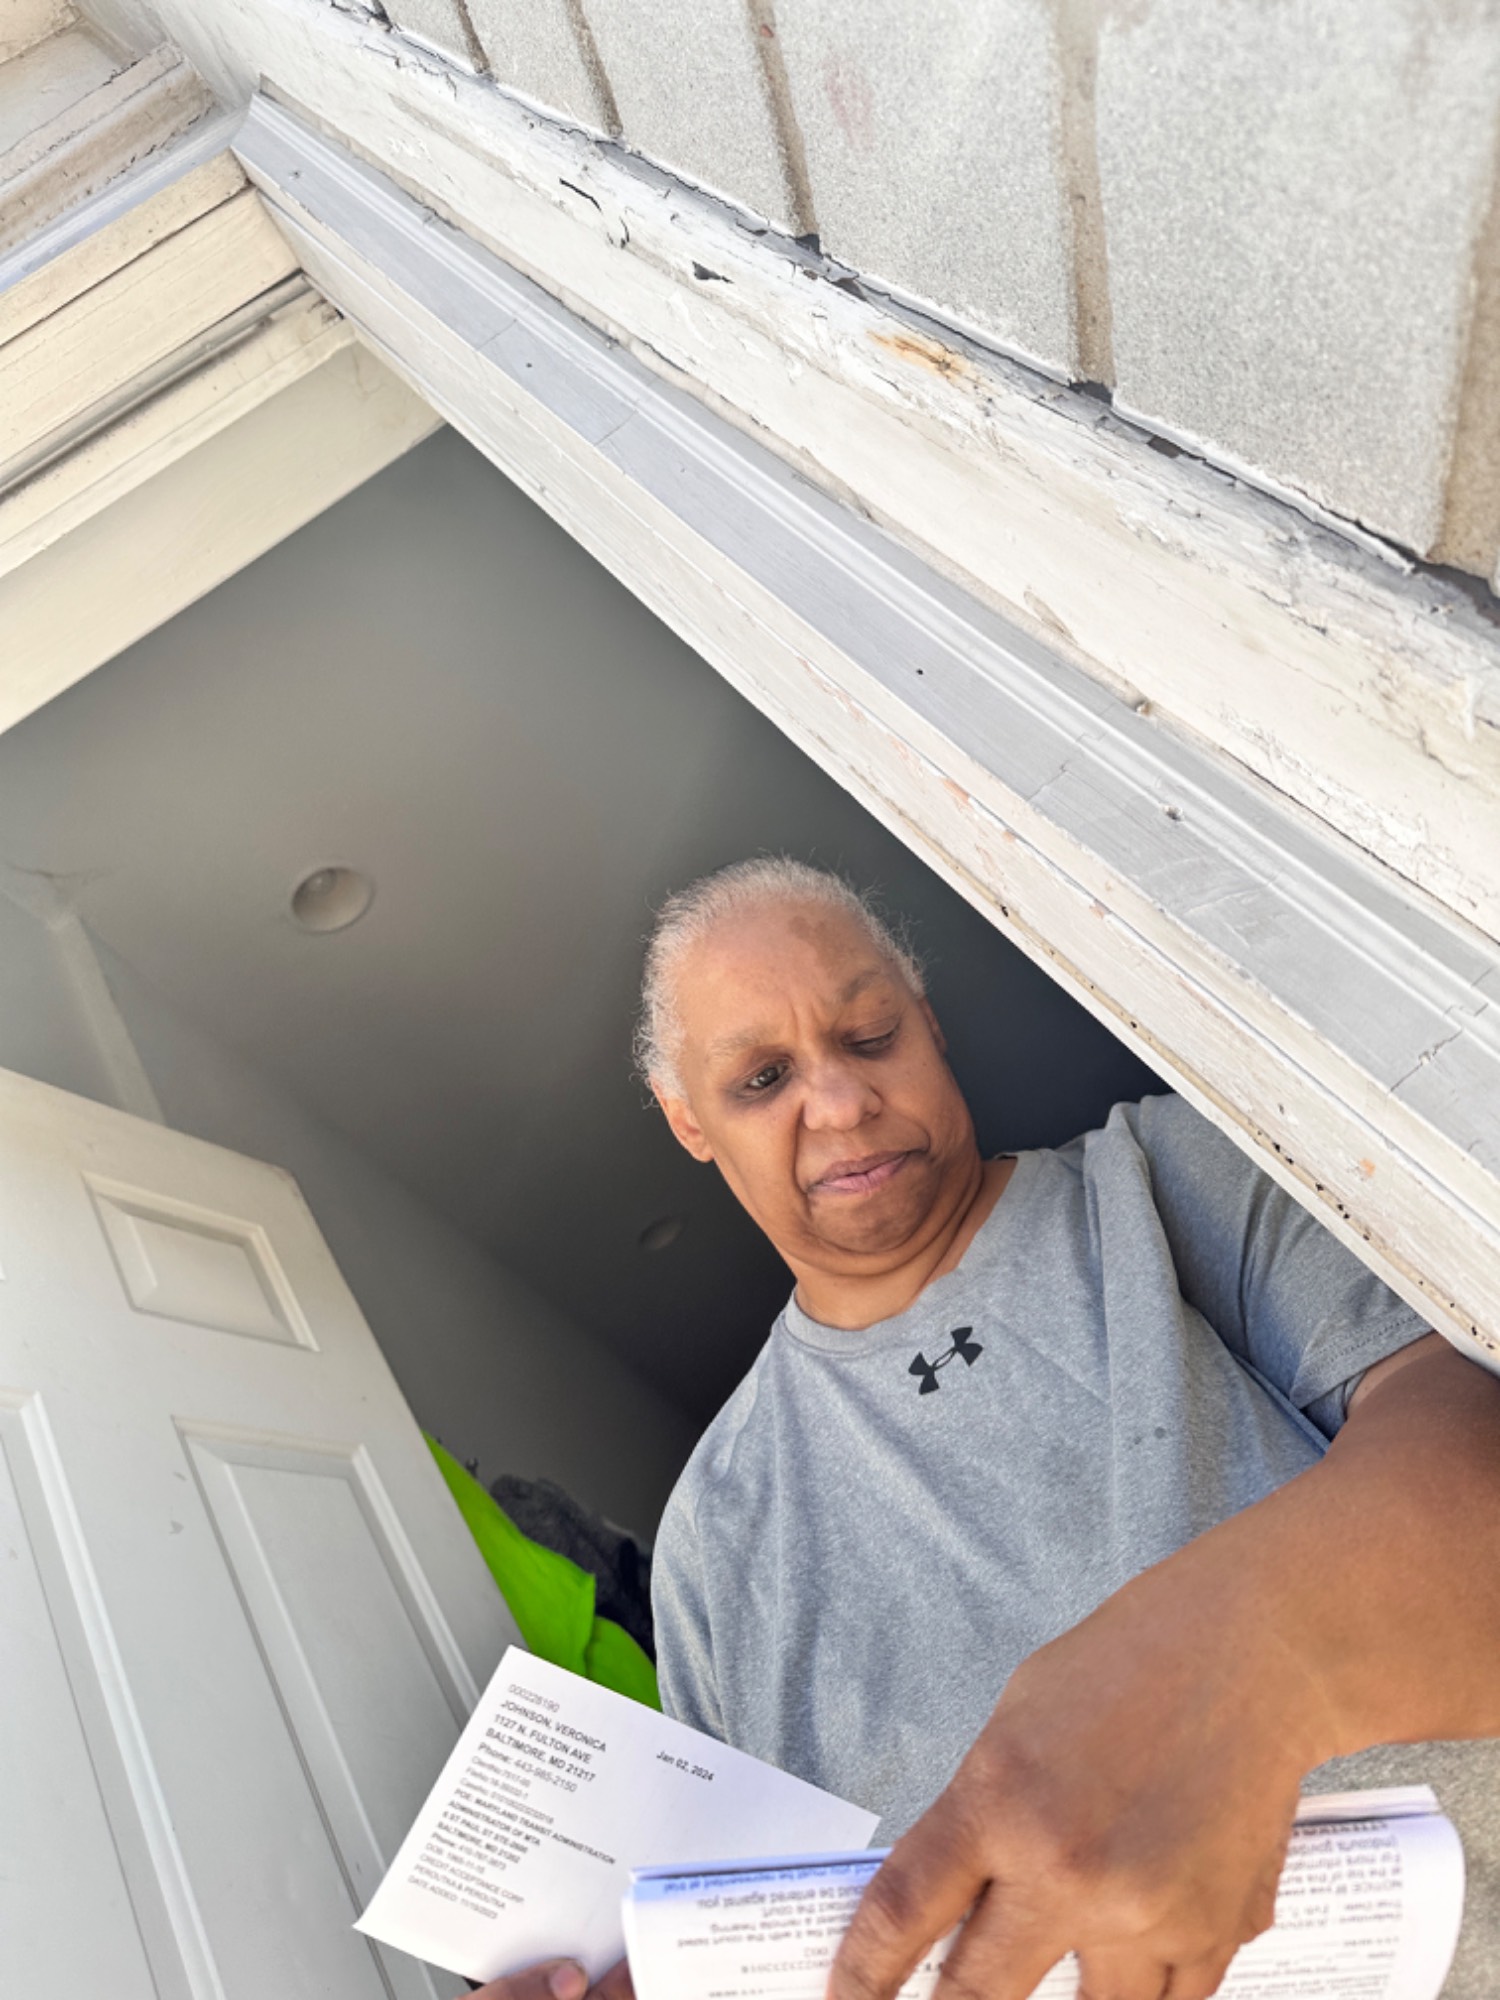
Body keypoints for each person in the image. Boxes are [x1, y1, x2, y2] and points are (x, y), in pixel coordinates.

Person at [477, 858, 1500, 2000]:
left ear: (930, 1024)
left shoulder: (1162, 1177)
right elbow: (787, 1950)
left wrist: (1220, 1671)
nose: (841, 1102)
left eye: (870, 1036)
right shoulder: (711, 1541)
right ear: (690, 1124)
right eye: (763, 1079)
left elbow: (1477, 1474)